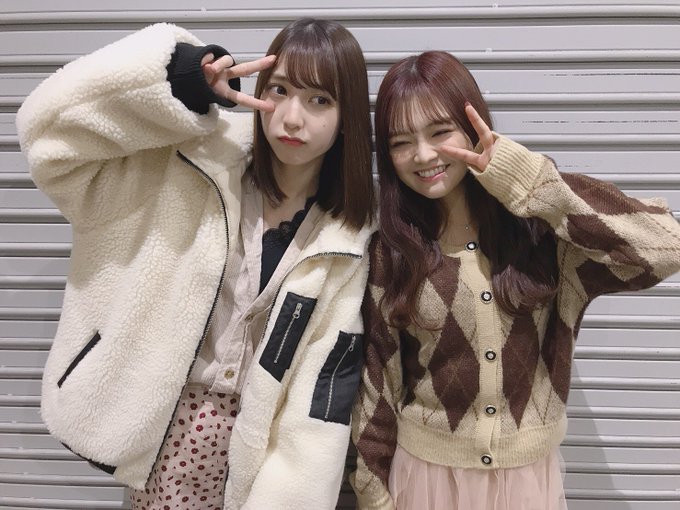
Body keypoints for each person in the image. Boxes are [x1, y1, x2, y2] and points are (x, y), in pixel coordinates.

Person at [17, 18, 375, 510]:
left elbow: (320, 395)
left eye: (319, 100)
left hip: (258, 452)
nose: (292, 118)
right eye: (279, 90)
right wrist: (179, 82)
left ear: (346, 116)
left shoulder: (348, 236)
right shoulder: (189, 164)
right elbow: (49, 140)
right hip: (161, 432)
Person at [350, 50, 680, 510]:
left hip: (527, 482)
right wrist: (373, 495)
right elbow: (377, 382)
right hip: (424, 480)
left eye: (440, 132)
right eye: (401, 142)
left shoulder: (543, 236)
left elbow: (664, 248)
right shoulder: (393, 251)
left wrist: (526, 181)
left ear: (473, 127)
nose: (423, 155)